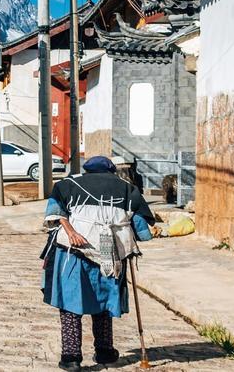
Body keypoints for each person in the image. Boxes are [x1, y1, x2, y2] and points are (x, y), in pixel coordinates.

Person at [41, 155, 155, 371]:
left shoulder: (67, 184)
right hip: (109, 253)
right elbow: (140, 224)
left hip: (75, 252)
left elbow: (55, 212)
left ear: (87, 170)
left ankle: (71, 358)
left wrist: (71, 231)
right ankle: (105, 352)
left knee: (70, 303)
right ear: (111, 170)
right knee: (103, 303)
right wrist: (140, 236)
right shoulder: (127, 188)